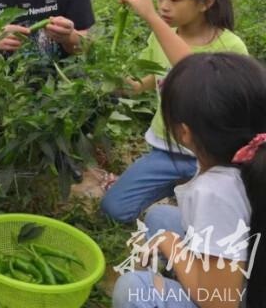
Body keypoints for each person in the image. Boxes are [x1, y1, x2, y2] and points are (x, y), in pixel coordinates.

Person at [101, 0, 248, 223]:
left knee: (203, 220)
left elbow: (195, 75)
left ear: (206, 2)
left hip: (212, 158)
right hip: (166, 149)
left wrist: (152, 18)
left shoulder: (230, 46)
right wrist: (124, 85)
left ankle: (181, 202)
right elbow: (153, 79)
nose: (164, 6)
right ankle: (176, 192)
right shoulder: (160, 37)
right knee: (114, 209)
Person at [112, 52, 266, 308]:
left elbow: (221, 302)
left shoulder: (216, 191)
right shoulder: (249, 158)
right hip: (247, 265)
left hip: (234, 297)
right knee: (159, 218)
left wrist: (171, 245)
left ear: (184, 132)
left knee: (134, 288)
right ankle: (183, 275)